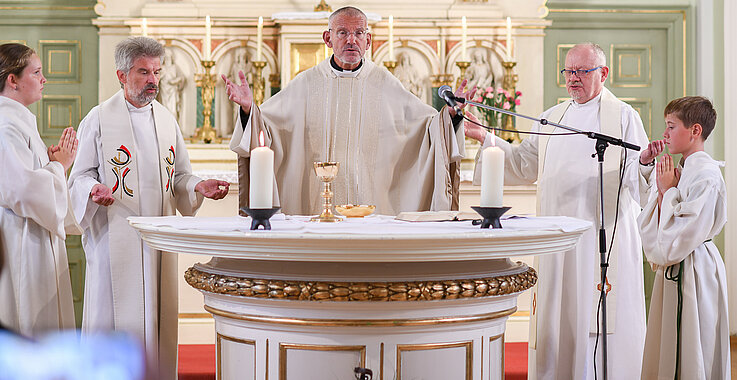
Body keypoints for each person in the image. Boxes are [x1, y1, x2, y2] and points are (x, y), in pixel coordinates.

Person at [464, 42, 663, 379]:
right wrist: (487, 138)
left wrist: (644, 163)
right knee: (562, 312)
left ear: (603, 74)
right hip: (558, 240)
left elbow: (638, 180)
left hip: (602, 235)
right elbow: (524, 162)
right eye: (568, 71)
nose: (572, 79)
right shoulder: (553, 117)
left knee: (600, 317)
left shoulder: (624, 116)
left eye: (580, 72)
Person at [67, 37, 229, 379]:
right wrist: (92, 190)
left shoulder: (166, 120)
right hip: (114, 238)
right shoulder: (98, 119)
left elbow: (180, 175)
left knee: (157, 320)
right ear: (122, 75)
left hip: (156, 243)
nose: (153, 79)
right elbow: (78, 176)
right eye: (143, 72)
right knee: (111, 320)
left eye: (156, 71)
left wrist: (197, 186)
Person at [222, 6, 474, 215]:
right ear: (328, 38)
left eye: (358, 33)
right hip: (315, 211)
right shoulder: (306, 83)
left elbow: (427, 127)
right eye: (342, 32)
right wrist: (248, 110)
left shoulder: (385, 83)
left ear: (368, 40)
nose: (351, 40)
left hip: (373, 210)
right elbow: (267, 127)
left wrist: (450, 117)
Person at [638, 96, 729, 379]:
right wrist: (646, 165)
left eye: (671, 126)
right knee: (671, 345)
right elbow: (646, 207)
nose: (664, 134)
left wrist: (669, 191)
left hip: (694, 266)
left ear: (695, 131)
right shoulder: (681, 169)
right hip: (677, 266)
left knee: (693, 344)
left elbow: (682, 235)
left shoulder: (706, 174)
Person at [0, 43, 80, 337]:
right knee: (28, 323)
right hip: (19, 239)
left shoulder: (17, 120)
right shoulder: (6, 126)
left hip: (29, 232)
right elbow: (21, 191)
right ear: (13, 80)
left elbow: (26, 178)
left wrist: (50, 163)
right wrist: (59, 166)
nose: (44, 79)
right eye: (36, 72)